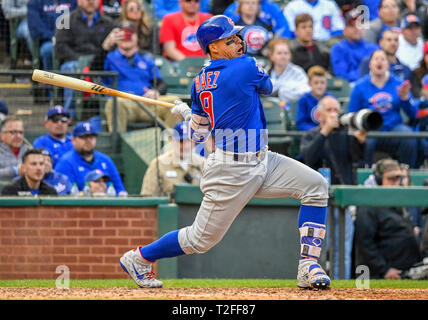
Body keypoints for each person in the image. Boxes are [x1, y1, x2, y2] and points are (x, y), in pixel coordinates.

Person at [119, 15, 330, 290]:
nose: (239, 42)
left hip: (261, 159)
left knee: (316, 186)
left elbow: (197, 133)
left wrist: (187, 112)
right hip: (231, 170)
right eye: (230, 39)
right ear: (213, 48)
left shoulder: (198, 83)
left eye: (238, 37)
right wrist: (190, 113)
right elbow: (266, 88)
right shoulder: (245, 66)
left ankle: (308, 267)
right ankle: (140, 257)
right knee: (199, 241)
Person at [300, 96, 366, 279]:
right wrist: (325, 131)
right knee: (319, 250)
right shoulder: (311, 135)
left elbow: (359, 159)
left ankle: (340, 285)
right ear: (319, 114)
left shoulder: (345, 137)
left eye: (336, 110)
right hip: (319, 201)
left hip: (344, 201)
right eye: (329, 110)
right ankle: (314, 280)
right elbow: (307, 158)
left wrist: (360, 140)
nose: (334, 114)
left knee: (342, 249)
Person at [355, 158, 425, 279]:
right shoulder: (368, 204)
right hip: (381, 274)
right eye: (391, 178)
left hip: (406, 272)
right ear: (379, 179)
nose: (396, 182)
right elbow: (365, 244)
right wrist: (384, 270)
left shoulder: (398, 202)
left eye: (398, 178)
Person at [103, 21, 180, 132]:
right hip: (125, 104)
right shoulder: (108, 56)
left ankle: (172, 146)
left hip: (147, 103)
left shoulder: (146, 58)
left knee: (175, 102)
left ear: (137, 37)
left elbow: (161, 83)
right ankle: (119, 146)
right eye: (123, 34)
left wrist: (155, 91)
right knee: (115, 103)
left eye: (130, 33)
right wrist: (106, 46)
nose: (126, 37)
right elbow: (94, 69)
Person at [348, 49, 419, 168]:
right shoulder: (359, 86)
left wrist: (405, 97)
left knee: (408, 136)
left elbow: (412, 114)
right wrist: (359, 130)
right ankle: (364, 175)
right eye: (376, 59)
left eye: (383, 59)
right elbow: (351, 114)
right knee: (366, 141)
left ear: (388, 64)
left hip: (393, 127)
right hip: (370, 129)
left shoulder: (399, 83)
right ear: (370, 64)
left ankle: (407, 172)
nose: (379, 62)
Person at [54, 0, 117, 116]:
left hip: (99, 62)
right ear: (78, 1)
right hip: (74, 62)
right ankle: (70, 114)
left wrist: (95, 60)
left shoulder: (108, 23)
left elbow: (112, 48)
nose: (91, 2)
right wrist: (81, 61)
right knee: (73, 69)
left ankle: (108, 114)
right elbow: (60, 47)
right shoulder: (65, 20)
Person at [55, 121, 127, 196]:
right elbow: (61, 196)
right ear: (73, 140)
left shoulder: (106, 160)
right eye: (84, 137)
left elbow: (120, 191)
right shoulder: (65, 163)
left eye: (91, 137)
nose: (88, 140)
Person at [141, 121, 205, 196]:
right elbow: (147, 196)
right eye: (181, 141)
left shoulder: (203, 163)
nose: (185, 146)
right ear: (172, 140)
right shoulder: (158, 164)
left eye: (188, 141)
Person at [330, 8, 378, 84]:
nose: (356, 28)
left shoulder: (374, 48)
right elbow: (342, 76)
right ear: (344, 30)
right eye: (351, 25)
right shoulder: (338, 49)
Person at [27, 0, 77, 71]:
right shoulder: (35, 2)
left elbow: (77, 20)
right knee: (48, 50)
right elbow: (35, 27)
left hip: (70, 40)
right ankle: (50, 81)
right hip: (48, 41)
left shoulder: (72, 1)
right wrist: (53, 37)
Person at [267, 39, 311, 105]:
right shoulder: (264, 73)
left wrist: (281, 92)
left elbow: (306, 92)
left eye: (286, 53)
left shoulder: (298, 72)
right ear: (272, 56)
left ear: (290, 56)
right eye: (279, 53)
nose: (283, 56)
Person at [223, 0, 291, 39]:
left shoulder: (266, 24)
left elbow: (283, 29)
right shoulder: (233, 17)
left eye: (253, 3)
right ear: (240, 7)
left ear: (258, 7)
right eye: (247, 3)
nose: (250, 6)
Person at [296, 66, 334, 131]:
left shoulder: (331, 99)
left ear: (326, 83)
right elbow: (301, 123)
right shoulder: (304, 99)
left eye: (322, 82)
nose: (319, 86)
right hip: (311, 135)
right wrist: (315, 130)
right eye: (316, 83)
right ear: (309, 84)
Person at [0, 116, 30, 181]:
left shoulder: (29, 151)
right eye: (13, 132)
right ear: (2, 135)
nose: (18, 136)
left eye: (21, 132)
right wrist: (15, 170)